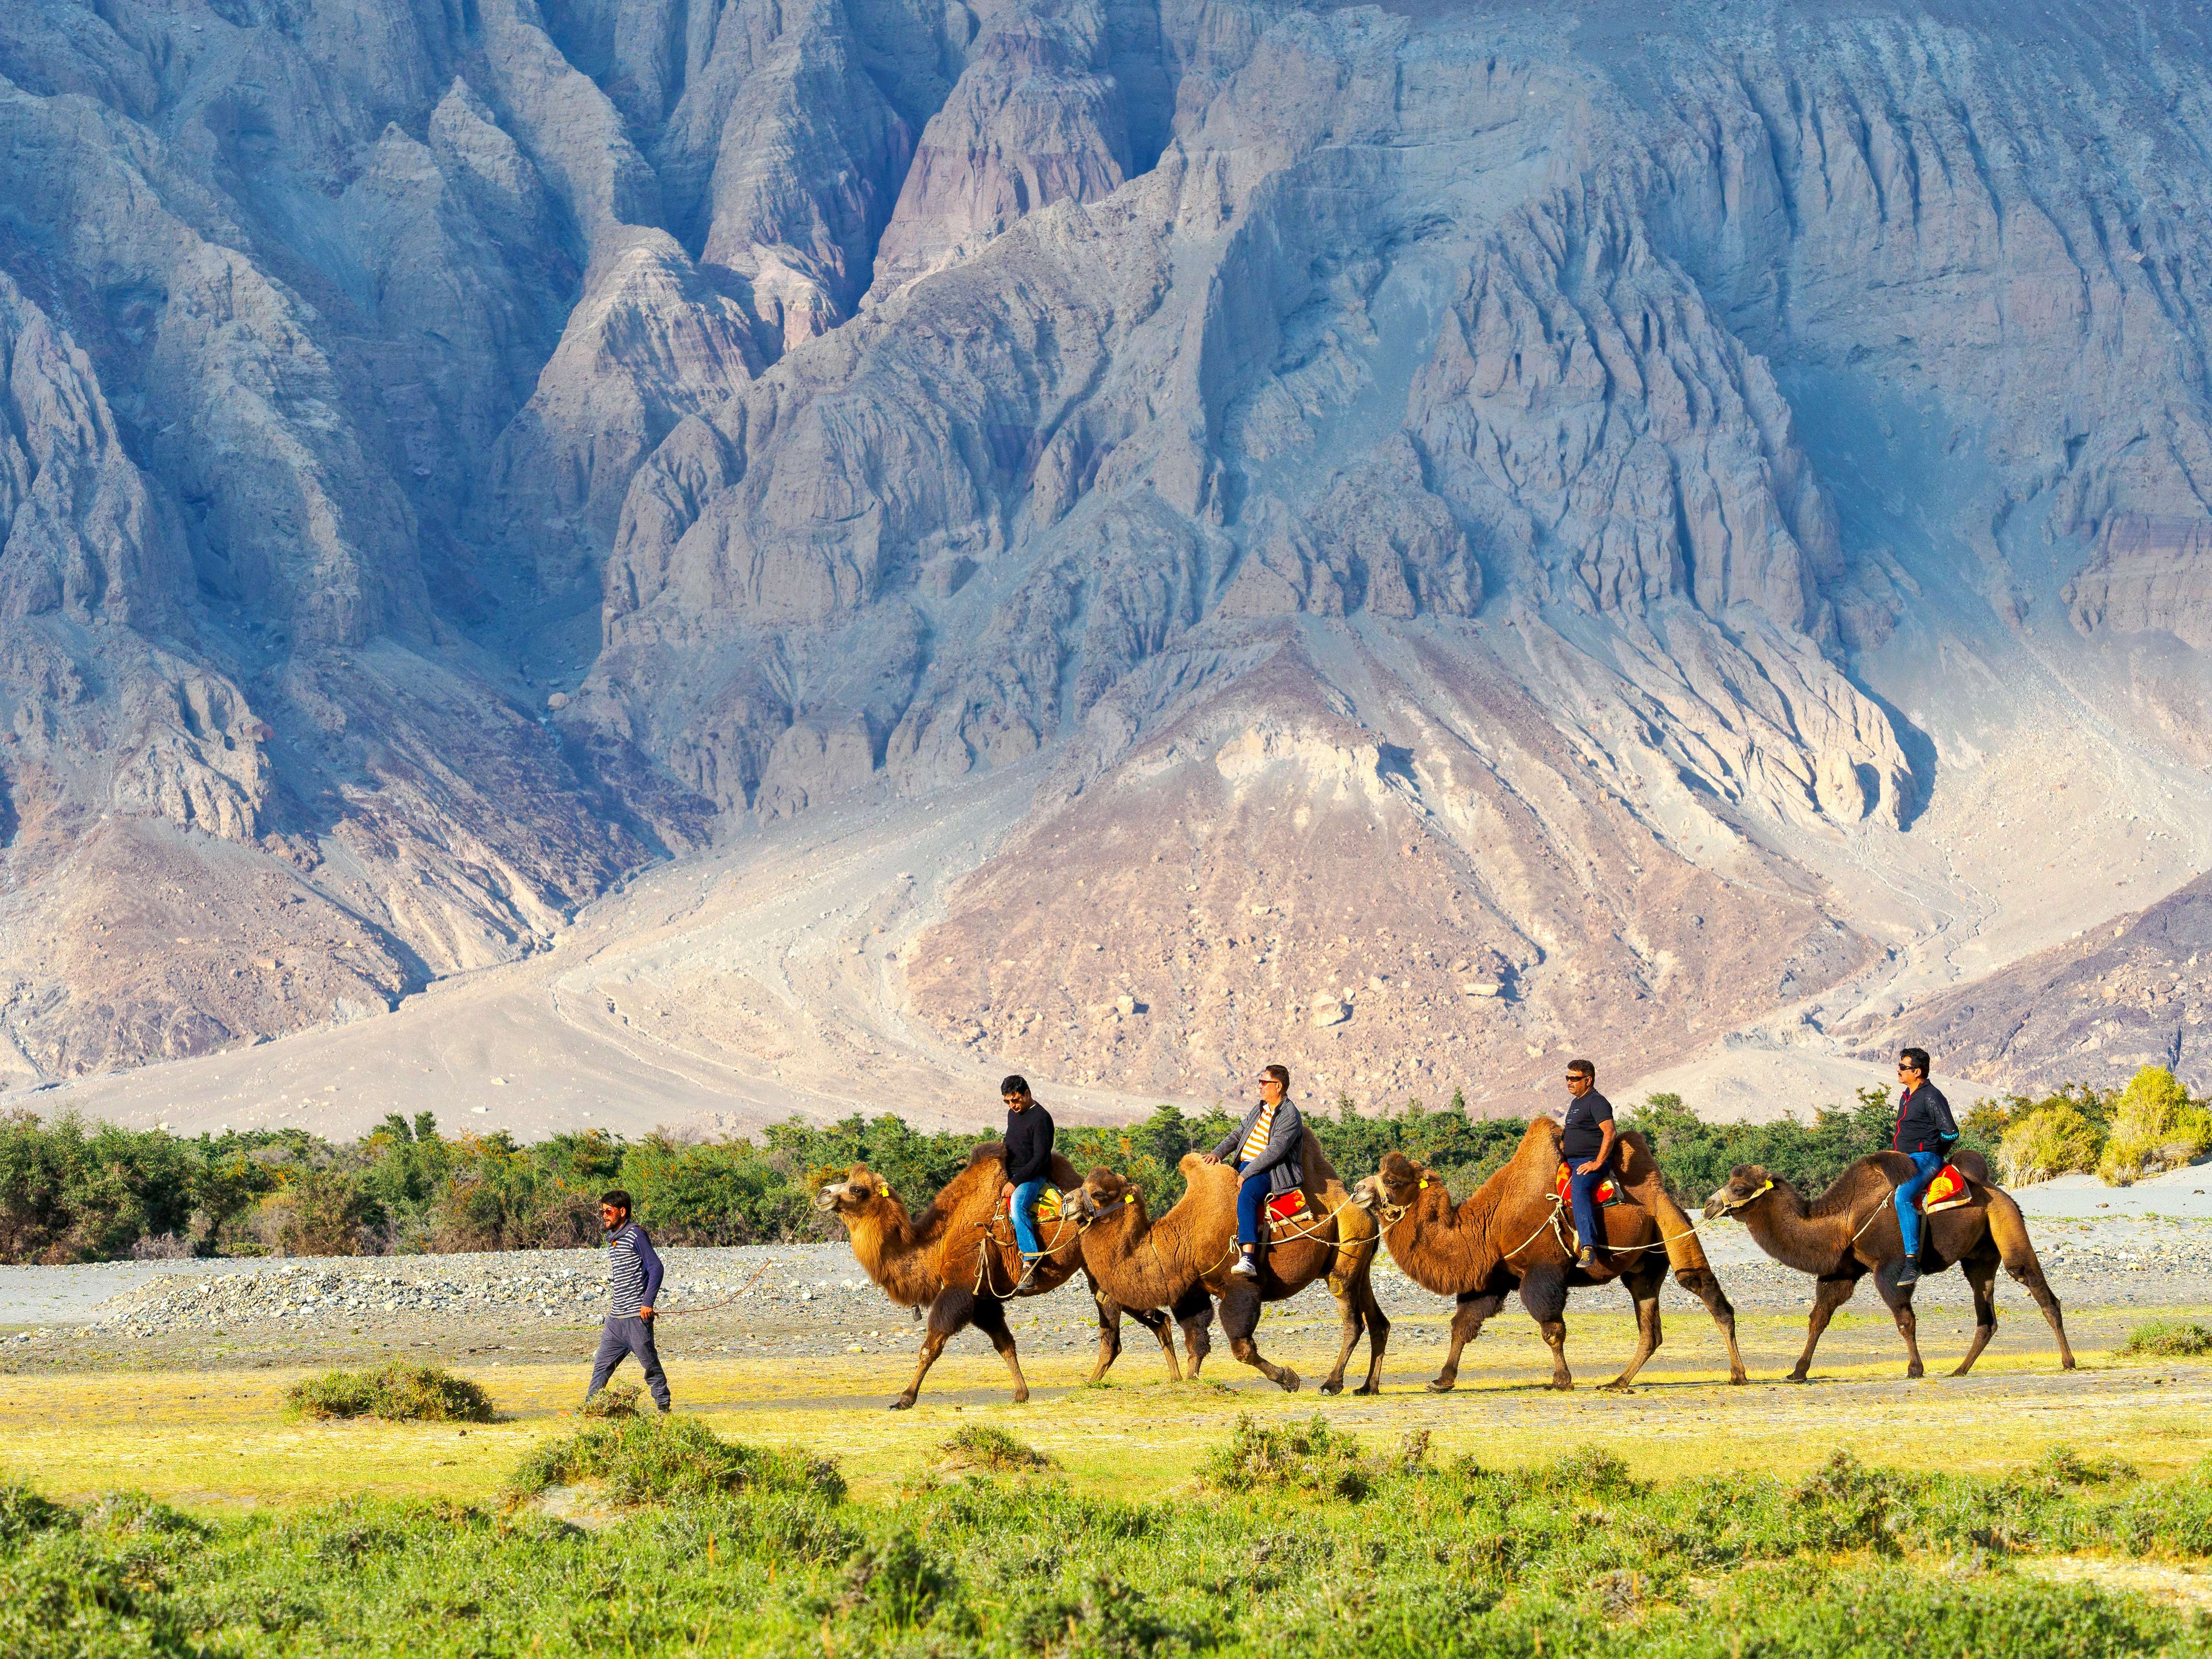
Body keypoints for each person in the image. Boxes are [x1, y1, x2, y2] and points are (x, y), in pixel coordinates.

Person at [1202, 1063, 1305, 1278]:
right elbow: (1238, 1134)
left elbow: (1275, 1151)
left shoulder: (1290, 1115)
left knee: (1247, 1196)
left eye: (1264, 1082)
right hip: (1243, 1165)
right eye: (1261, 1082)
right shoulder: (1261, 1108)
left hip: (1271, 1170)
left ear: (1278, 1086)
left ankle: (1248, 1258)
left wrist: (1246, 1174)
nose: (1260, 1086)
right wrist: (1217, 1154)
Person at [585, 1188, 671, 1412]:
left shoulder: (636, 1235)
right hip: (616, 1321)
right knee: (601, 1367)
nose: (604, 1215)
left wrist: (648, 1303)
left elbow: (656, 1268)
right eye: (602, 1211)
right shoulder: (613, 1240)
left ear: (622, 1212)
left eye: (608, 1211)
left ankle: (664, 1409)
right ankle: (590, 1409)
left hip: (636, 1319)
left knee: (650, 1366)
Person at [1891, 1047, 1959, 1287]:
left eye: (1903, 1067)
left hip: (1925, 1158)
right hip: (1903, 1159)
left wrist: (1934, 1152)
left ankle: (1912, 1261)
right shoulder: (1906, 1096)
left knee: (1903, 1198)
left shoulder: (1931, 1096)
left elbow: (1951, 1133)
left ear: (1917, 1072)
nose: (1898, 1070)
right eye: (1899, 1066)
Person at [998, 1075, 1055, 1291]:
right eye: (1008, 1102)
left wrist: (1015, 1182)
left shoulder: (1041, 1119)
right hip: (1011, 1175)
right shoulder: (1013, 1115)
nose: (1012, 1106)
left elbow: (1040, 1158)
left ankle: (1030, 1263)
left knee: (1017, 1208)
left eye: (1016, 1100)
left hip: (1032, 1177)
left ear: (1027, 1094)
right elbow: (1010, 1141)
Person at [1560, 1058, 1616, 1272]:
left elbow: (1610, 1132)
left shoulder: (1597, 1101)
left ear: (1588, 1080)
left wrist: (1597, 1163)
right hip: (1572, 1161)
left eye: (1574, 1078)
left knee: (1580, 1188)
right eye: (1568, 1078)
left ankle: (1588, 1246)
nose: (1569, 1082)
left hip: (1590, 1162)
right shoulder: (1576, 1103)